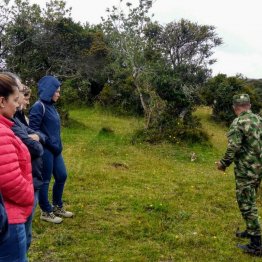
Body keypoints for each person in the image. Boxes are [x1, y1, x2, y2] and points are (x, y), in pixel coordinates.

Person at [216, 94, 262, 256]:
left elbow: (233, 147)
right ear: (249, 105)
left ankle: (256, 245)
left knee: (246, 204)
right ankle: (251, 231)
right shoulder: (259, 120)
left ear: (235, 107)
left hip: (246, 171)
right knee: (251, 201)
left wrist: (223, 163)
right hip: (258, 169)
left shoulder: (238, 122)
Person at [4, 74, 44, 250]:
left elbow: (39, 137)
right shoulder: (4, 130)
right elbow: (35, 148)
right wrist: (28, 195)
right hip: (12, 213)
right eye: (16, 95)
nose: (19, 99)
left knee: (25, 240)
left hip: (16, 208)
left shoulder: (13, 119)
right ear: (2, 101)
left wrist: (36, 138)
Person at [29, 75, 73, 224]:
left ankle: (57, 206)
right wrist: (47, 141)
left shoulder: (52, 107)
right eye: (57, 91)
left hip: (56, 150)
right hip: (45, 150)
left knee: (62, 176)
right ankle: (46, 211)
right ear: (49, 90)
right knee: (45, 180)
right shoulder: (38, 106)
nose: (59, 94)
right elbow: (33, 130)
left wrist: (57, 144)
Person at [0, 73, 34, 261]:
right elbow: (8, 180)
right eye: (14, 99)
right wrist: (29, 195)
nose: (17, 104)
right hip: (9, 220)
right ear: (2, 101)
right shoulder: (2, 133)